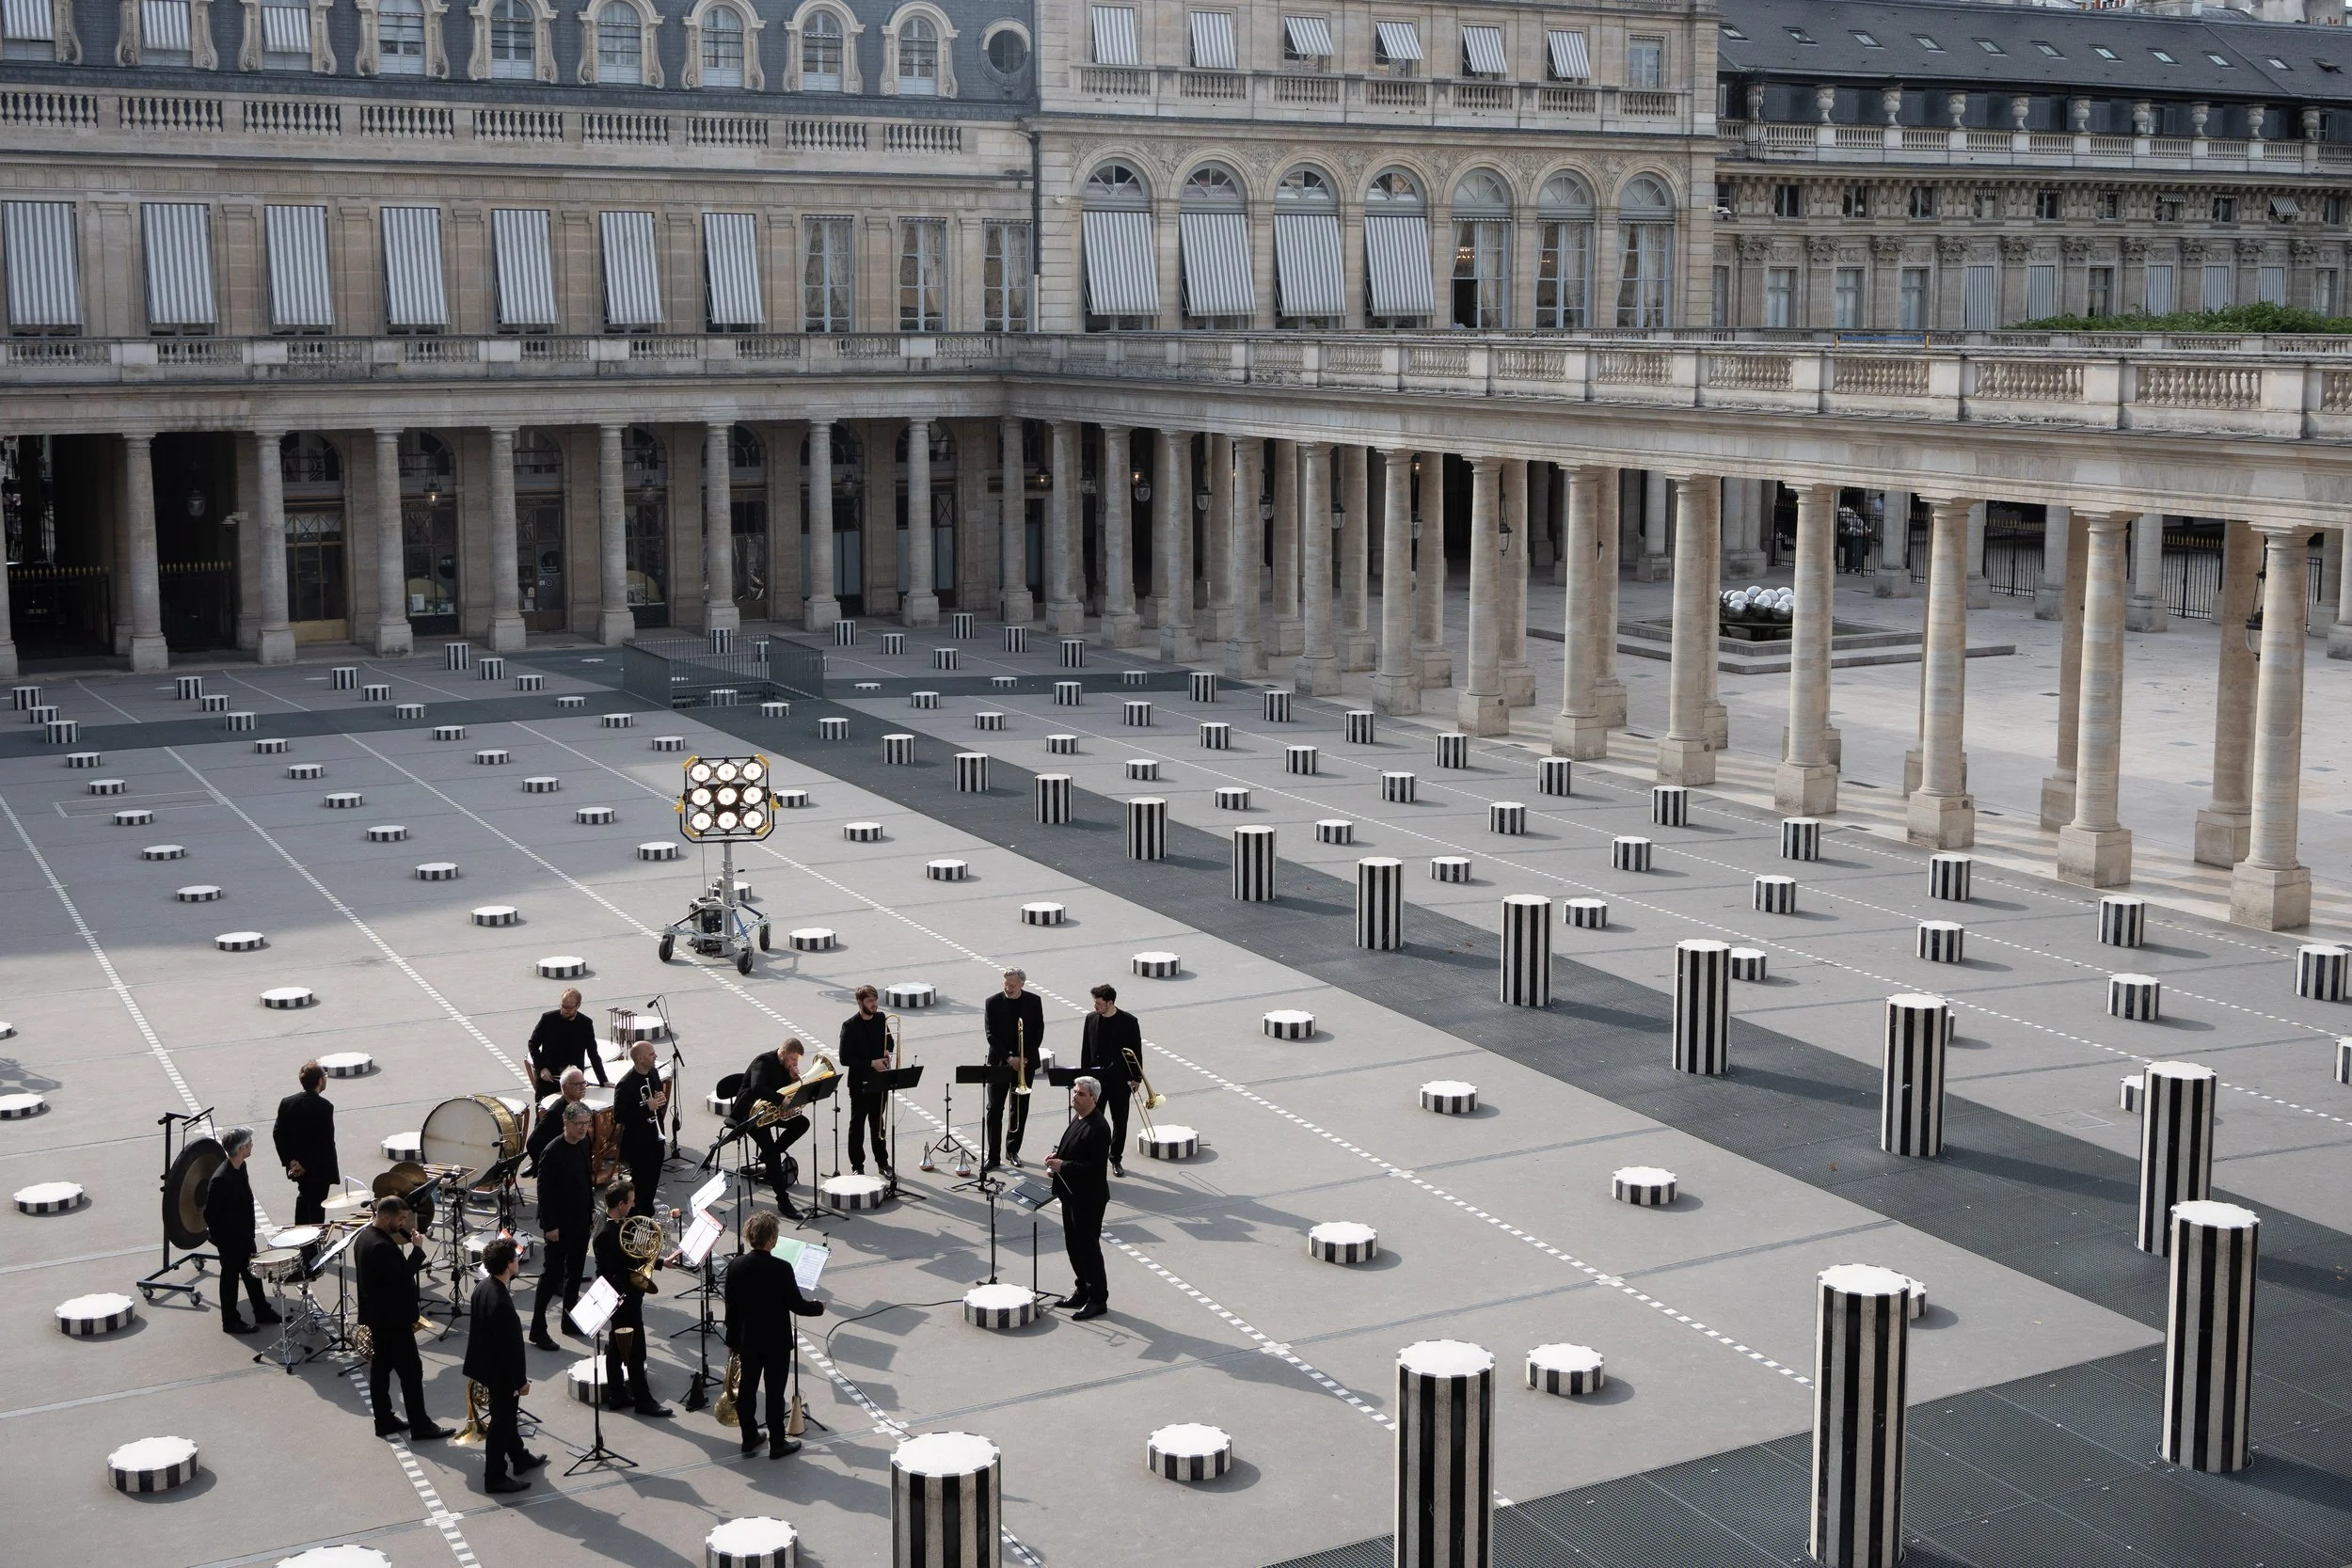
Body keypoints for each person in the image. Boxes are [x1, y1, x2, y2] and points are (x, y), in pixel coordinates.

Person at [723, 1210, 826, 1458]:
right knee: (774, 1393)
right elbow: (798, 1306)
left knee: (747, 1391)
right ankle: (778, 1443)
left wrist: (733, 1341)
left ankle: (749, 1438)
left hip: (746, 1340)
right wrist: (819, 1307)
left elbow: (731, 1307)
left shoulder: (735, 1265)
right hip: (775, 1343)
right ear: (770, 1240)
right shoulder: (781, 1267)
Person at [354, 1196, 447, 1440]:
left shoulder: (365, 1237)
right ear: (386, 1217)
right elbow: (401, 1277)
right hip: (393, 1321)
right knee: (411, 1372)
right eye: (401, 1219)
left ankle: (383, 1420)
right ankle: (421, 1425)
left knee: (381, 1370)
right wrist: (417, 1250)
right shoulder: (382, 1246)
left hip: (378, 1317)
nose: (403, 1224)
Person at [464, 1237, 545, 1493]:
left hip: (487, 1366)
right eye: (516, 1258)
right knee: (501, 1422)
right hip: (501, 1374)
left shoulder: (483, 1287)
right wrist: (519, 1382)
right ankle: (495, 1476)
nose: (519, 1260)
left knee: (507, 1419)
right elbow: (509, 1349)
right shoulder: (500, 1303)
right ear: (509, 1265)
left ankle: (519, 1457)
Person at [591, 1180, 675, 1417]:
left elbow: (636, 1254)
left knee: (616, 1347)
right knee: (637, 1351)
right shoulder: (607, 1234)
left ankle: (617, 1394)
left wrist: (659, 1262)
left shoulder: (617, 1224)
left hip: (626, 1296)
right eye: (631, 1201)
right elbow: (607, 1273)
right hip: (623, 1299)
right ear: (620, 1204)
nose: (634, 1204)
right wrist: (629, 1287)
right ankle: (644, 1401)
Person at [531, 1101, 596, 1350]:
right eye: (578, 1124)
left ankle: (570, 1320)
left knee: (576, 1271)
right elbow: (544, 1192)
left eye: (586, 1124)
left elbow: (585, 1178)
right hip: (558, 1225)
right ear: (565, 1123)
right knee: (552, 1275)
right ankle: (538, 1328)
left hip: (580, 1220)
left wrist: (590, 1209)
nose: (583, 1129)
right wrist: (550, 1226)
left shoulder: (584, 1142)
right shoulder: (552, 1151)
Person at [202, 1127, 281, 1336]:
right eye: (250, 1143)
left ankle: (262, 1310)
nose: (252, 1145)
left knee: (252, 1273)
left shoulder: (241, 1166)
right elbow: (210, 1215)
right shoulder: (220, 1179)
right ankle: (230, 1321)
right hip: (230, 1240)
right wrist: (223, 1242)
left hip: (245, 1234)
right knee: (229, 1280)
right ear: (242, 1148)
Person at [1047, 1077, 1112, 1322]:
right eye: (1075, 1092)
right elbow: (1072, 1147)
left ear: (1093, 1099)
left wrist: (1064, 1165)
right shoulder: (1079, 1117)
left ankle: (1098, 1299)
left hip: (1089, 1198)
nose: (1074, 1097)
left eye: (1081, 1094)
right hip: (1071, 1194)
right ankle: (1082, 1289)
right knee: (1073, 1246)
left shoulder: (1100, 1128)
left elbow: (1095, 1167)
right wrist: (1057, 1158)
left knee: (1089, 1249)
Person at [728, 1038, 812, 1219]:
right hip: (749, 1114)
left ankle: (766, 1160)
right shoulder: (763, 1062)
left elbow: (785, 1090)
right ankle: (783, 1201)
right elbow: (757, 1087)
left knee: (802, 1123)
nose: (795, 1064)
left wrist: (793, 1078)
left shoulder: (786, 1067)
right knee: (773, 1153)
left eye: (797, 1062)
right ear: (782, 1054)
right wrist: (782, 1101)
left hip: (769, 1112)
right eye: (793, 1060)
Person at [981, 968, 1044, 1171]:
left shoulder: (1034, 1001)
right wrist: (1009, 1058)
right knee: (994, 1109)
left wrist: (1023, 1057)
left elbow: (1038, 1031)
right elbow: (990, 1035)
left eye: (1013, 985)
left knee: (1019, 1110)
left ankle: (1012, 1150)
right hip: (1000, 1063)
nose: (1008, 988)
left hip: (1025, 1064)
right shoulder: (992, 1002)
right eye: (1005, 984)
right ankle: (992, 1156)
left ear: (1022, 985)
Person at [1078, 983, 1142, 1179]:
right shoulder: (1091, 1019)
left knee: (1119, 1121)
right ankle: (1092, 1157)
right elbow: (1086, 1049)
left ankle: (1115, 1159)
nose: (1095, 1006)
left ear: (1110, 1003)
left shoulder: (1129, 1021)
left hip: (1119, 1081)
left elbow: (1136, 1051)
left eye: (1098, 1003)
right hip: (1096, 1081)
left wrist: (1136, 1078)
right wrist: (1083, 1077)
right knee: (1091, 1120)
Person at [271, 1064, 340, 1226]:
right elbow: (325, 1143)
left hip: (297, 1169)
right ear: (320, 1081)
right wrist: (306, 1165)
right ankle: (311, 1247)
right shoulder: (325, 1107)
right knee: (316, 1210)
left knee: (304, 1199)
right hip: (318, 1169)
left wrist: (291, 1161)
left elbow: (278, 1134)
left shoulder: (287, 1103)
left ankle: (301, 1239)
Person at [839, 986, 893, 1179]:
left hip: (880, 1081)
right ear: (860, 1002)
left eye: (875, 1000)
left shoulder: (880, 1019)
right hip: (860, 1083)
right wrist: (872, 1063)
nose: (874, 1004)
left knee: (878, 1124)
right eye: (870, 1001)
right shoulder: (850, 1026)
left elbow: (890, 1041)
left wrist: (887, 1053)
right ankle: (857, 1166)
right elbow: (845, 1058)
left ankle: (883, 1162)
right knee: (857, 1125)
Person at [612, 1040, 669, 1215]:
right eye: (652, 1054)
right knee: (641, 1183)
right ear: (640, 1058)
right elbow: (619, 1116)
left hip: (656, 1138)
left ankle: (648, 1208)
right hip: (639, 1144)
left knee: (653, 1181)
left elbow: (657, 1094)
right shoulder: (625, 1084)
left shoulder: (653, 1073)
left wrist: (660, 1096)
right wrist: (647, 1108)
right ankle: (638, 1214)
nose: (656, 1056)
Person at [528, 988, 608, 1090]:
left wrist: (603, 1080)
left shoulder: (585, 1024)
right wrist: (542, 1068)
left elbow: (593, 1054)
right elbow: (532, 1044)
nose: (565, 1010)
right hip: (549, 1078)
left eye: (569, 1008)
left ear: (578, 1005)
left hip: (573, 1081)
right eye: (563, 1006)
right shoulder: (548, 1019)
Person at [526, 1067, 593, 1173]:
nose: (582, 1087)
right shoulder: (556, 1112)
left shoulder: (578, 1106)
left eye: (583, 1083)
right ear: (564, 1087)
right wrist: (550, 1166)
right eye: (577, 1084)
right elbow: (532, 1143)